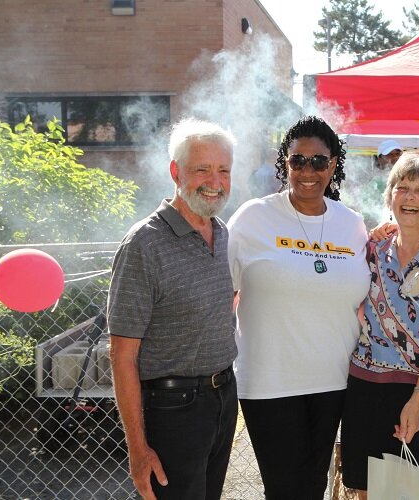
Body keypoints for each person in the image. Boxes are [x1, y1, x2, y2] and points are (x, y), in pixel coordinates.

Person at [226, 116, 371, 500]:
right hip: (270, 382)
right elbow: (221, 295)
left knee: (313, 485)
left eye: (319, 161)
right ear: (284, 164)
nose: (308, 171)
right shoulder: (252, 218)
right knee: (286, 488)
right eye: (298, 161)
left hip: (335, 381)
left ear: (334, 165)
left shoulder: (352, 224)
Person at [108, 118, 238, 500]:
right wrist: (137, 449)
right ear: (175, 172)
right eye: (202, 169)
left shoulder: (222, 232)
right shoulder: (143, 245)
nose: (214, 181)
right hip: (171, 409)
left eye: (223, 170)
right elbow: (121, 355)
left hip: (223, 397)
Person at [341, 153, 419, 498]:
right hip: (365, 387)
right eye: (402, 187)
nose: (409, 197)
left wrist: (418, 398)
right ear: (390, 195)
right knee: (365, 490)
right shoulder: (372, 246)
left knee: (415, 492)